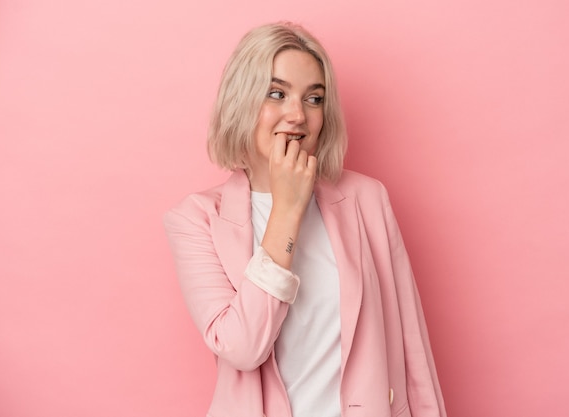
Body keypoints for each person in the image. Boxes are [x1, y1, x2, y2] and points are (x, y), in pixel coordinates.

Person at [164, 21, 446, 417]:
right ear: (240, 101)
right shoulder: (195, 220)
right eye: (276, 94)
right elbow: (243, 349)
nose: (297, 115)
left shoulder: (367, 200)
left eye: (314, 99)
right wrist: (288, 209)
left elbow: (411, 347)